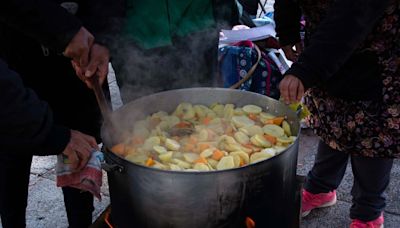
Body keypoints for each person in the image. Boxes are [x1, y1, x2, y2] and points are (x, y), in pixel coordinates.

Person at [274, 0, 399, 227]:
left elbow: (352, 16)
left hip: (377, 51)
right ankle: (321, 188)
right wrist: (287, 30)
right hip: (326, 48)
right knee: (332, 123)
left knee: (372, 140)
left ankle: (368, 213)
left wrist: (305, 69)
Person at [0, 1, 114, 227]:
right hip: (11, 56)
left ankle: (81, 222)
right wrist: (63, 30)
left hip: (78, 64)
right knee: (11, 163)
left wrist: (102, 36)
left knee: (80, 154)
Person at [111, 0, 239, 102]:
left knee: (203, 103)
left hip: (198, 26)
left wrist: (227, 16)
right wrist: (102, 36)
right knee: (139, 114)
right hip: (137, 36)